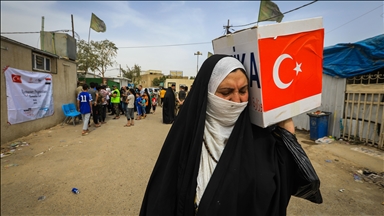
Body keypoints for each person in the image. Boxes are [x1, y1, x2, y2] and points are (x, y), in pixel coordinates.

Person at [140, 55, 322, 215]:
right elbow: (162, 200)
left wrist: (285, 126)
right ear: (207, 93)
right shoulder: (185, 137)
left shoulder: (261, 140)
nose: (237, 100)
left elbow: (288, 184)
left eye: (243, 91)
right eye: (226, 92)